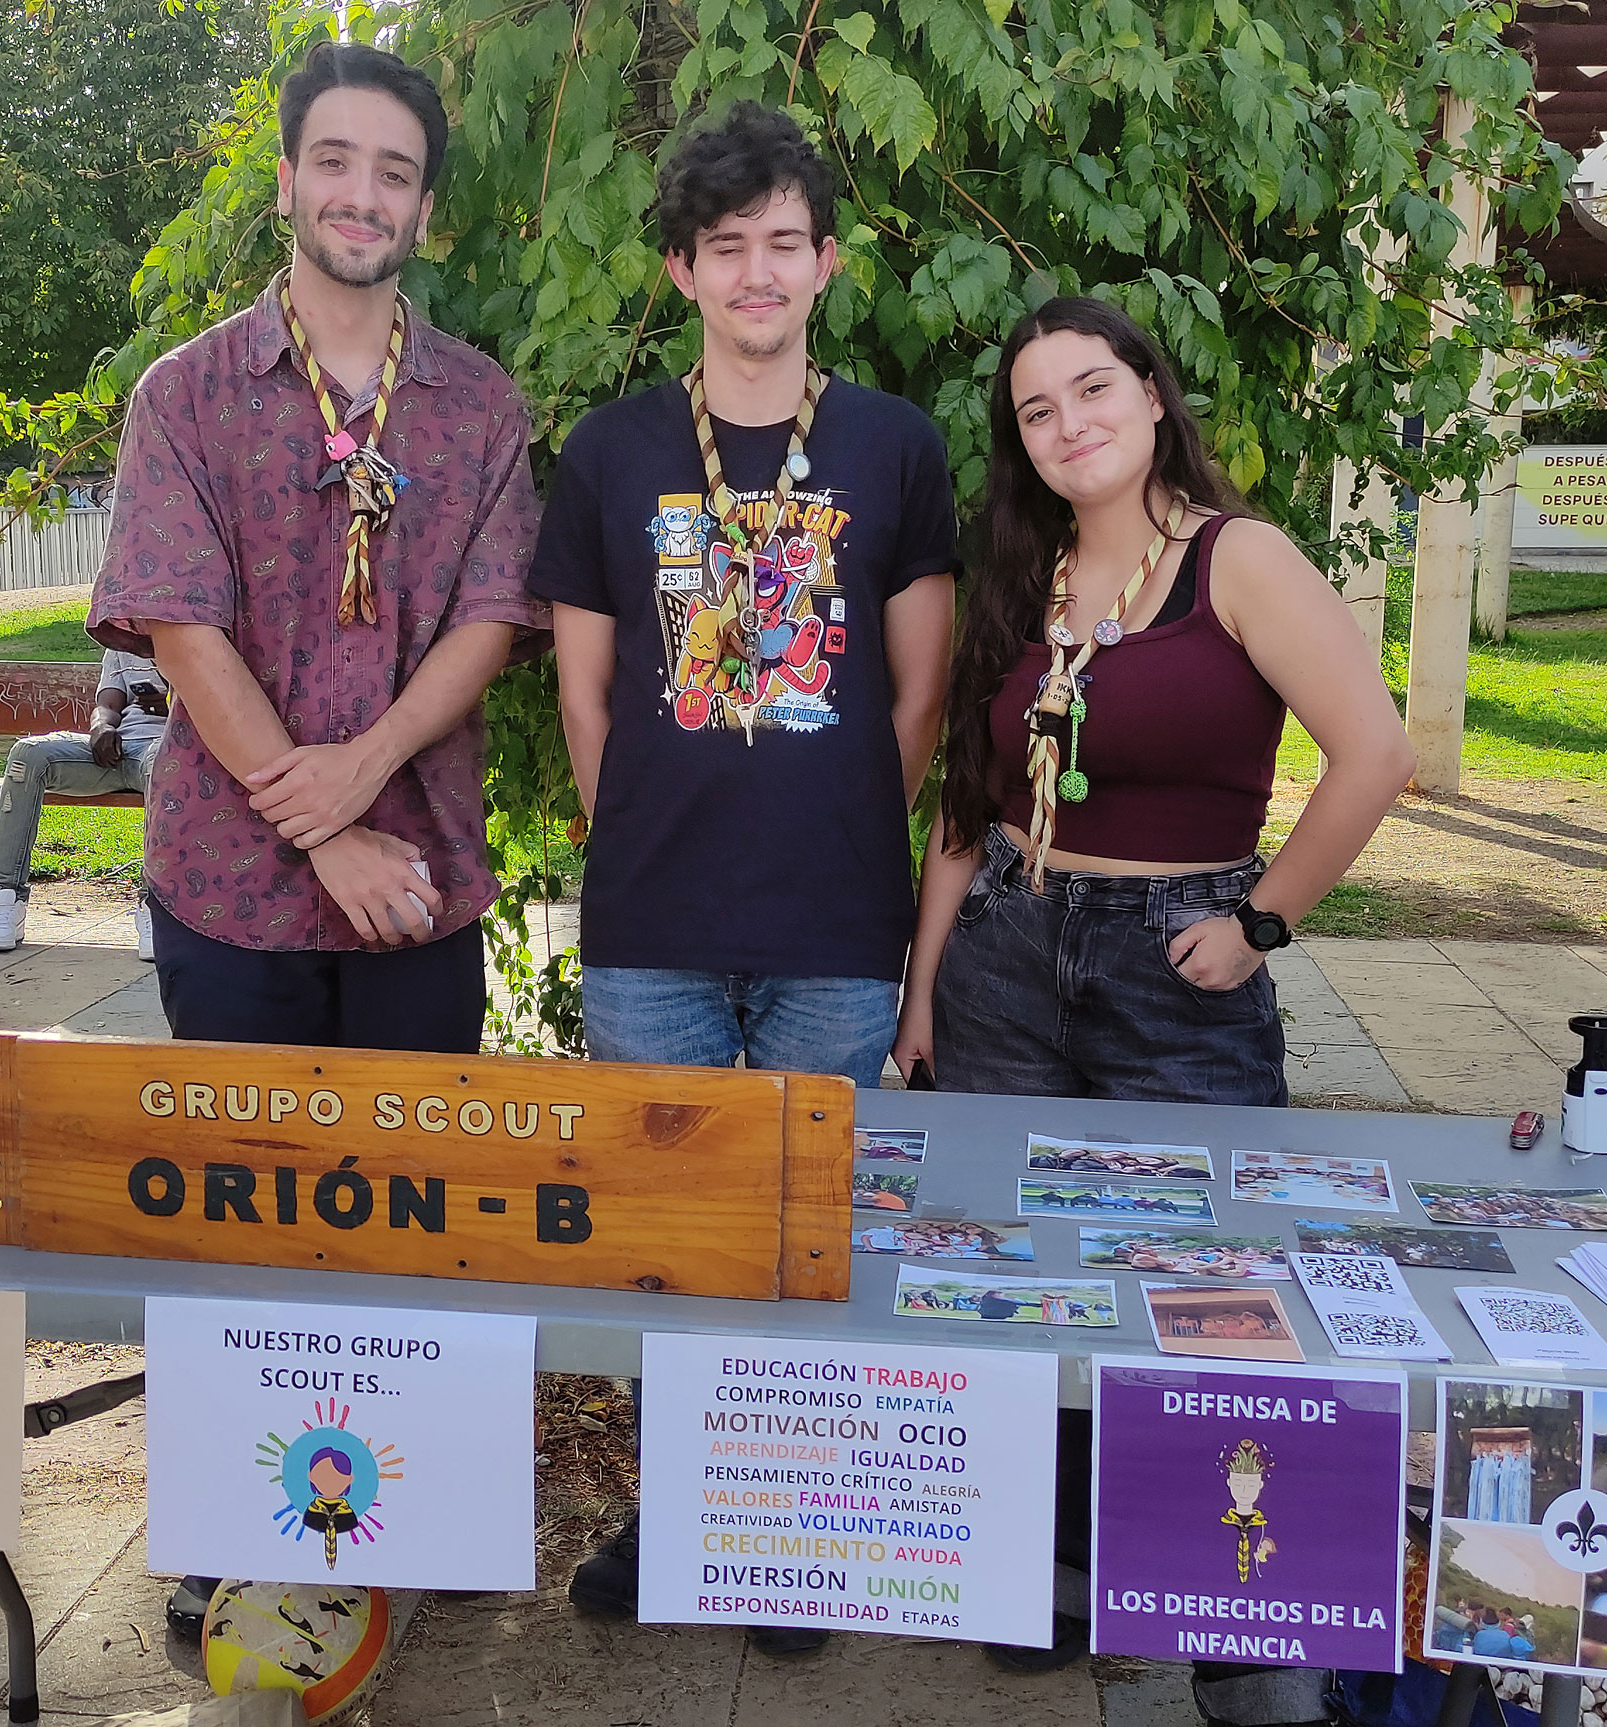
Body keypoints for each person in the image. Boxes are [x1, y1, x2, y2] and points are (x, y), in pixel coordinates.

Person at [83, 41, 545, 1640]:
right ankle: (227, 1520)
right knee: (238, 1224)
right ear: (287, 180)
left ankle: (415, 1511)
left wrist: (370, 777)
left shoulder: (480, 402)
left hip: (422, 881)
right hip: (230, 884)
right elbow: (181, 628)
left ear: (425, 203)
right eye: (335, 163)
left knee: (423, 1213)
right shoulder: (189, 396)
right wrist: (317, 819)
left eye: (396, 172)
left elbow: (493, 618)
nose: (363, 195)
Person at [891, 298, 1413, 1695]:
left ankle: (1243, 1645)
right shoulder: (1023, 568)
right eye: (1038, 409)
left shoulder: (1237, 559)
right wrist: (927, 983)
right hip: (1009, 945)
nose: (1069, 423)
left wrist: (1259, 925)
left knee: (1213, 1294)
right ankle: (1055, 1573)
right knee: (1021, 1284)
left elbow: (1375, 752)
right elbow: (968, 800)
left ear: (1153, 394)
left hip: (1176, 963)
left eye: (1092, 388)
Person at [529, 100, 957, 1657]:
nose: (759, 273)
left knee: (799, 1238)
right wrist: (649, 833)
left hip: (836, 923)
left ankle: (790, 1531)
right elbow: (585, 696)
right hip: (653, 920)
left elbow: (917, 695)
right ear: (684, 269)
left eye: (786, 242)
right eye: (729, 248)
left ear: (827, 263)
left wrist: (839, 829)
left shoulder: (895, 447)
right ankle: (678, 1513)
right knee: (667, 1234)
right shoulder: (615, 448)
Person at [0, 651, 172, 958]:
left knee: (164, 764)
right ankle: (6, 897)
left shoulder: (196, 634)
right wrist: (101, 728)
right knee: (28, 755)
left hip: (167, 749)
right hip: (118, 749)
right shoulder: (121, 640)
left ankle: (154, 908)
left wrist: (173, 704)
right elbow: (107, 704)